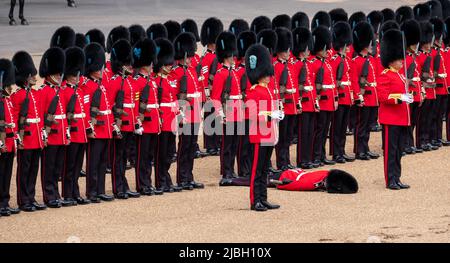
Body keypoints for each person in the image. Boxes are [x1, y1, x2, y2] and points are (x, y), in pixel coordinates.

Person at [245, 43, 283, 211]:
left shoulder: (268, 90)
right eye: (265, 73)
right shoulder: (253, 91)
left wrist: (278, 114)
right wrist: (270, 115)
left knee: (265, 168)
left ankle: (264, 198)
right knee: (257, 170)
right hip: (259, 135)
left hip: (269, 134)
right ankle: (255, 201)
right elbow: (252, 115)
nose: (269, 76)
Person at [11, 51, 47, 212]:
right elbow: (16, 119)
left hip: (37, 137)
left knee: (33, 170)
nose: (34, 77)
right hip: (26, 137)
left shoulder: (37, 94)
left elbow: (40, 117)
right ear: (25, 77)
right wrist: (18, 139)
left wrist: (43, 136)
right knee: (24, 170)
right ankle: (23, 200)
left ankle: (31, 197)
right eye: (31, 75)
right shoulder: (17, 96)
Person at [80, 42, 115, 203]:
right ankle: (92, 191)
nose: (102, 70)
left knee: (102, 162)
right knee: (93, 163)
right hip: (96, 129)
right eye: (99, 67)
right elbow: (86, 109)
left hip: (106, 128)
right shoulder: (88, 86)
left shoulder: (100, 86)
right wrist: (89, 128)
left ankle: (100, 189)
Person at [377, 29, 411, 190]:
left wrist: (407, 97)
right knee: (391, 152)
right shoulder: (386, 75)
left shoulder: (400, 75)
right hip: (391, 119)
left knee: (398, 151)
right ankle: (390, 180)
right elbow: (383, 97)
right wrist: (400, 98)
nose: (402, 62)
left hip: (401, 118)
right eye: (399, 60)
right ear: (391, 61)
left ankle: (397, 178)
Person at [39, 47, 73, 208]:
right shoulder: (43, 91)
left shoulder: (58, 90)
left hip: (60, 135)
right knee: (49, 167)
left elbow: (63, 115)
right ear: (49, 73)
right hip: (50, 135)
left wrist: (66, 133)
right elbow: (41, 116)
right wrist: (43, 136)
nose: (60, 76)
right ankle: (49, 195)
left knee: (57, 167)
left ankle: (55, 194)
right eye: (57, 73)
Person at [108, 39, 141, 199]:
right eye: (127, 64)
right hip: (120, 126)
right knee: (118, 157)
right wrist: (114, 125)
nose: (130, 67)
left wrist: (136, 123)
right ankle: (118, 187)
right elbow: (110, 105)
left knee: (125, 157)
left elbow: (133, 105)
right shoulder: (114, 82)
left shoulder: (130, 82)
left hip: (129, 126)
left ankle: (124, 184)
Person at [171, 32, 204, 190]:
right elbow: (177, 96)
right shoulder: (177, 72)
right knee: (184, 146)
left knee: (192, 146)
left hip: (195, 113)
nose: (191, 58)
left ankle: (189, 176)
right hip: (186, 115)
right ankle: (182, 177)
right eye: (189, 55)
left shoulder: (191, 71)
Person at [210, 31, 244, 184]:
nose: (233, 58)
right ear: (226, 56)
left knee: (235, 143)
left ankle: (232, 169)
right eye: (231, 56)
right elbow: (215, 97)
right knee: (227, 144)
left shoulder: (234, 72)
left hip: (237, 110)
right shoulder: (220, 74)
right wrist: (221, 114)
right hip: (228, 111)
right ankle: (226, 171)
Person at [131, 38, 163, 196]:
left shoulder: (151, 81)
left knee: (149, 156)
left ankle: (147, 182)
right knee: (142, 156)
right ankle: (142, 184)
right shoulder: (137, 82)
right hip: (144, 124)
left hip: (153, 124)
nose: (152, 66)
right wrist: (138, 122)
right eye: (150, 63)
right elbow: (137, 104)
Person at [61, 47, 91, 205]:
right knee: (70, 165)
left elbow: (84, 113)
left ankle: (75, 192)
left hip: (81, 133)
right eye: (76, 74)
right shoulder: (65, 91)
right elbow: (65, 115)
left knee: (78, 165)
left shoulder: (79, 91)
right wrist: (67, 133)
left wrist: (87, 129)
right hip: (72, 133)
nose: (78, 76)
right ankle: (67, 194)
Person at [153, 38, 183, 193]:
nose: (170, 66)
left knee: (170, 152)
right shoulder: (156, 81)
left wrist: (179, 114)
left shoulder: (170, 79)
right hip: (163, 120)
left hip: (171, 120)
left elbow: (174, 99)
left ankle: (165, 176)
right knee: (161, 152)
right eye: (167, 64)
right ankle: (160, 180)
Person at [351, 21, 380, 161]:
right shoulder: (356, 61)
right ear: (364, 45)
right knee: (361, 125)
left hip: (373, 96)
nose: (371, 47)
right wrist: (358, 96)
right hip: (365, 97)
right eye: (369, 44)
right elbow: (354, 81)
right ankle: (359, 150)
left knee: (368, 125)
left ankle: (365, 148)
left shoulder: (372, 60)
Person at [273, 27, 299, 171]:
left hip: (292, 105)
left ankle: (287, 160)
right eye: (286, 50)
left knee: (288, 136)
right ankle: (281, 162)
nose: (288, 53)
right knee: (282, 137)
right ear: (279, 51)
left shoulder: (291, 66)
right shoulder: (275, 66)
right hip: (282, 106)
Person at [310, 26, 337, 167]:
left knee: (325, 130)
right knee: (319, 130)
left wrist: (336, 98)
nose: (327, 51)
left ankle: (322, 154)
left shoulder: (327, 63)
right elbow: (314, 84)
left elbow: (332, 83)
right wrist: (316, 100)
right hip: (322, 102)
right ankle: (316, 155)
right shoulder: (314, 64)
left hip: (330, 101)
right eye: (324, 48)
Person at [329, 21, 355, 164]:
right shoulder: (335, 60)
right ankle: (336, 153)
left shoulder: (345, 59)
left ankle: (342, 150)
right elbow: (335, 80)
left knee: (343, 126)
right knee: (337, 127)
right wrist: (336, 97)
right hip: (340, 96)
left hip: (347, 96)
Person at [293, 27, 317, 170]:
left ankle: (308, 158)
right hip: (303, 103)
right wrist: (298, 102)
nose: (309, 51)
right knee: (303, 133)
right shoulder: (296, 65)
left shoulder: (308, 64)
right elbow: (296, 85)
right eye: (307, 49)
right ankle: (302, 160)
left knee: (310, 132)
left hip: (311, 102)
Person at [200, 17, 224, 156]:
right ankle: (210, 145)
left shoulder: (218, 55)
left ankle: (217, 142)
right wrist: (207, 94)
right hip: (210, 92)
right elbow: (204, 77)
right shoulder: (207, 57)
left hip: (219, 92)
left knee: (217, 118)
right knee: (210, 117)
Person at [0, 59, 20, 216]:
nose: (11, 88)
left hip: (9, 142)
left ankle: (4, 202)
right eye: (8, 85)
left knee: (7, 175)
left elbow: (12, 123)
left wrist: (14, 142)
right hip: (1, 143)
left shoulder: (8, 100)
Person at [235, 30, 256, 178]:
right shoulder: (240, 71)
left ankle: (248, 168)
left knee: (250, 143)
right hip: (245, 111)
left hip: (253, 111)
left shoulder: (250, 71)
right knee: (243, 144)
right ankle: (243, 170)